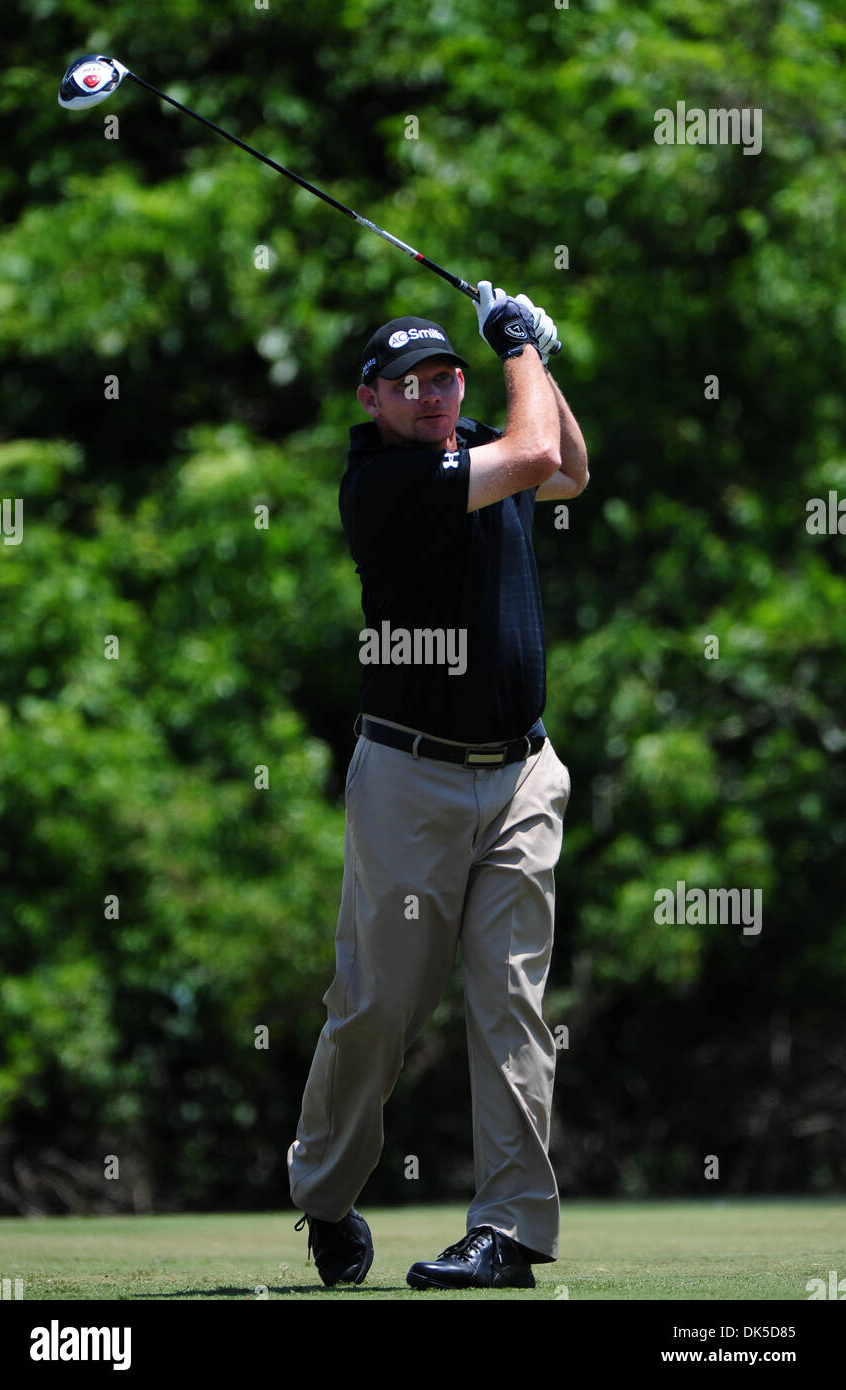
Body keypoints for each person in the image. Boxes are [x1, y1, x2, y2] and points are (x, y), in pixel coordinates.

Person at [287, 282, 589, 1290]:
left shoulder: (479, 446)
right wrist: (517, 343)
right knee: (375, 1005)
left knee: (511, 1001)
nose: (428, 393)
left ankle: (505, 1232)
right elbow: (535, 454)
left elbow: (569, 468)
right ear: (369, 400)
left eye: (444, 376)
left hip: (520, 776)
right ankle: (325, 1194)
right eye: (405, 382)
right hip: (405, 777)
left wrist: (530, 356)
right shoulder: (384, 483)